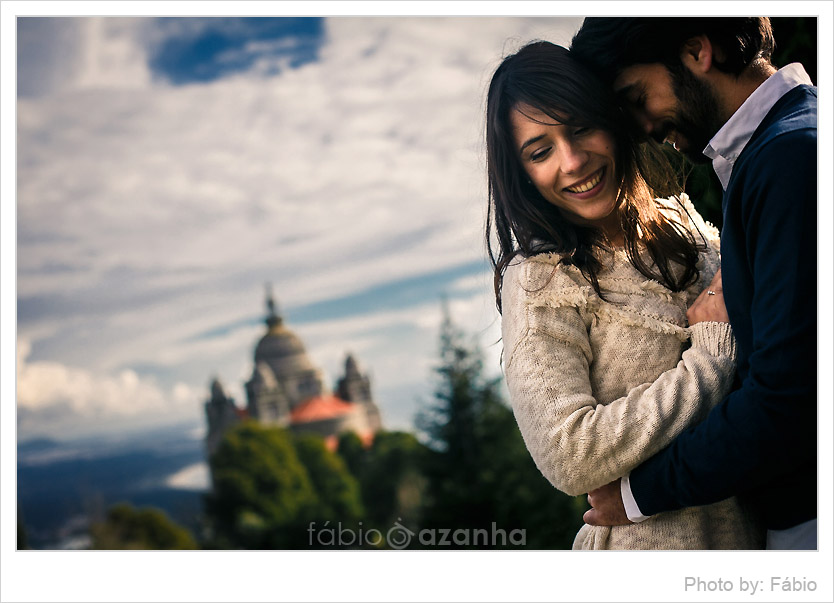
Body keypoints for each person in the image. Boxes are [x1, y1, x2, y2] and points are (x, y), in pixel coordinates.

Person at [485, 40, 763, 549]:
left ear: (611, 119)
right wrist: (708, 363)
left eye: (580, 128)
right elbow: (568, 455)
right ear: (521, 173)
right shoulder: (541, 280)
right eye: (540, 151)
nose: (571, 161)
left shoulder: (686, 223)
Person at [571, 17, 817, 550]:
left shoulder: (791, 157)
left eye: (637, 96)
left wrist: (636, 495)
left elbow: (790, 401)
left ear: (697, 51)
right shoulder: (775, 152)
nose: (641, 127)